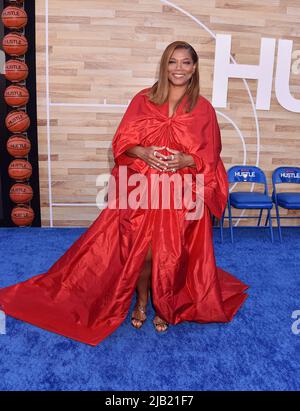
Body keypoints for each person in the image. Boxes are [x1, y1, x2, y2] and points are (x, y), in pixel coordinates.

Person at [0, 41, 248, 346]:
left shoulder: (203, 109)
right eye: (173, 62)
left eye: (185, 63)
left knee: (169, 253)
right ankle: (143, 301)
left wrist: (187, 159)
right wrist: (142, 151)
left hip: (181, 192)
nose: (179, 69)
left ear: (194, 68)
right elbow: (122, 142)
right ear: (164, 65)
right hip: (142, 190)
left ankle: (164, 304)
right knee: (142, 254)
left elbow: (211, 155)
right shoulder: (143, 100)